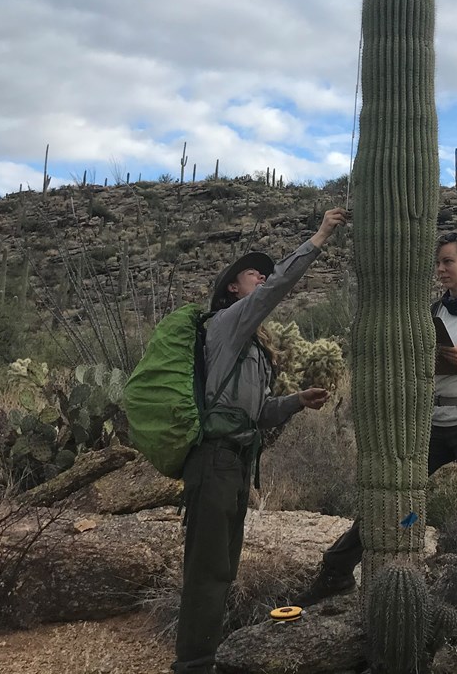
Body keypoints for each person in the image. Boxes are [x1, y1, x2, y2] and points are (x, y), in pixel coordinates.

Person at [295, 231, 457, 611]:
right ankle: (337, 571)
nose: (441, 269)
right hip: (431, 422)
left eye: (448, 261)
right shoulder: (432, 313)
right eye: (438, 263)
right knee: (389, 495)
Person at [174, 207, 347, 674]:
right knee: (208, 570)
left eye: (264, 274)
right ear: (234, 286)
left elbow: (257, 412)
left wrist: (295, 401)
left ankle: (204, 654)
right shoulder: (227, 323)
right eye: (255, 274)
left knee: (223, 568)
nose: (264, 279)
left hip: (235, 465)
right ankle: (193, 663)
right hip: (213, 461)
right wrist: (320, 236)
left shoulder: (252, 348)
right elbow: (278, 290)